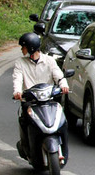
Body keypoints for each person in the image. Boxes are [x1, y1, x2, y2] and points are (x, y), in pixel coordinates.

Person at [12, 32, 70, 161]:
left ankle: (64, 146)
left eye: (24, 47)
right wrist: (17, 92)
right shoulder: (20, 63)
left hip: (48, 100)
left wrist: (64, 85)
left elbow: (58, 75)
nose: (22, 49)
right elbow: (17, 78)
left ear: (31, 47)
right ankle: (27, 146)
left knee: (62, 120)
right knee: (24, 120)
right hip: (30, 101)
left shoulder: (49, 61)